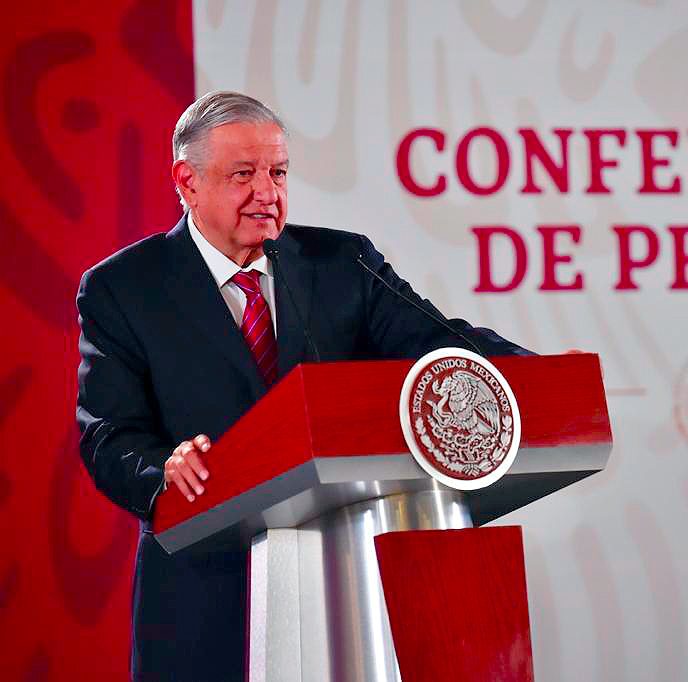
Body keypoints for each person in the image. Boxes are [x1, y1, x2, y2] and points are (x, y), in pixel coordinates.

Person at [76, 91, 529, 681]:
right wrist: (163, 468)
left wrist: (528, 371)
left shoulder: (342, 263)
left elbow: (437, 339)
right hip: (206, 596)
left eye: (278, 172)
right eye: (244, 174)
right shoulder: (123, 287)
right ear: (186, 182)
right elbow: (108, 434)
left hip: (349, 589)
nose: (267, 191)